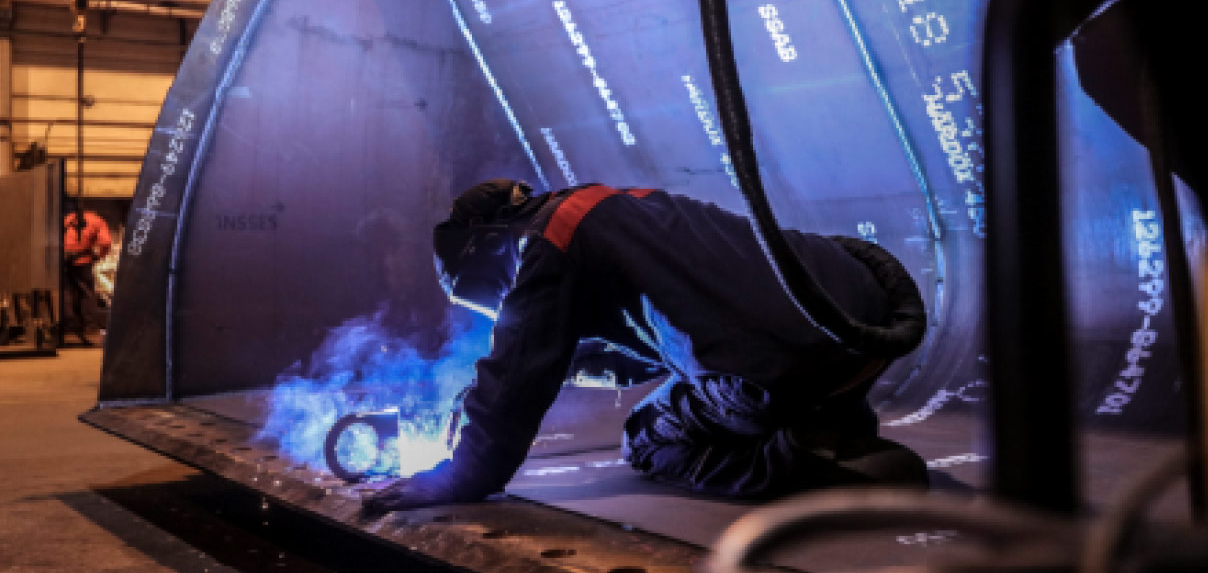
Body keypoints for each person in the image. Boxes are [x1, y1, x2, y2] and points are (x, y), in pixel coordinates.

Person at [362, 179, 928, 513]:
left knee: (650, 436)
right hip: (863, 318)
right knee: (706, 370)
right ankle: (841, 428)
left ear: (485, 249)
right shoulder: (612, 208)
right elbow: (642, 345)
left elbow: (518, 376)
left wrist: (458, 476)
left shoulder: (547, 242)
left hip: (777, 367)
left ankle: (805, 459)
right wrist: (550, 367)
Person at [63, 204, 112, 344]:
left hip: (64, 261)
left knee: (67, 292)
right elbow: (106, 242)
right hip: (83, 260)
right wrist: (99, 256)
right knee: (87, 293)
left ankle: (70, 325)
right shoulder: (97, 220)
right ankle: (89, 326)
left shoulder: (68, 219)